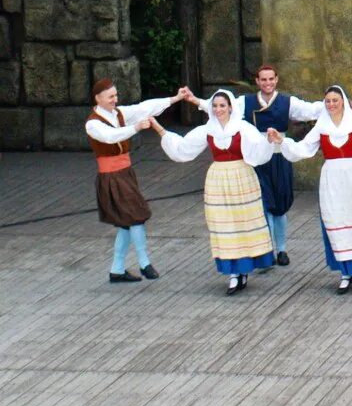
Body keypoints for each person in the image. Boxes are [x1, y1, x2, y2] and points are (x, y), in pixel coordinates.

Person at [274, 85, 352, 294]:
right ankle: (345, 272)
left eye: (335, 100)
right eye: (328, 101)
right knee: (337, 219)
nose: (331, 104)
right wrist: (283, 141)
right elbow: (303, 148)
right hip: (331, 178)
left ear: (343, 101)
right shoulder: (321, 128)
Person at [193, 64, 322, 267]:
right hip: (255, 158)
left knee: (280, 205)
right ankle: (267, 250)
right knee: (264, 205)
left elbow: (312, 110)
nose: (267, 83)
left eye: (271, 79)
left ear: (276, 80)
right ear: (257, 81)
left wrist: (338, 104)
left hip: (279, 157)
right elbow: (221, 104)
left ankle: (282, 248)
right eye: (263, 79)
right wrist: (195, 101)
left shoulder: (288, 102)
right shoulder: (245, 102)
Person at [158, 90, 277, 295]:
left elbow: (259, 151)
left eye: (222, 105)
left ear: (231, 106)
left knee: (242, 222)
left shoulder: (243, 127)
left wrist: (269, 141)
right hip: (218, 179)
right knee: (224, 225)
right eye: (215, 106)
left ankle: (244, 269)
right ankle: (233, 273)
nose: (218, 109)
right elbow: (184, 148)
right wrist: (161, 131)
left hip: (241, 176)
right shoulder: (208, 129)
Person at [83, 78, 186, 284]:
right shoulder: (93, 123)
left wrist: (175, 98)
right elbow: (111, 136)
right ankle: (144, 262)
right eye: (111, 96)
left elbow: (145, 107)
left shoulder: (118, 113)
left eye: (115, 95)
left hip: (125, 172)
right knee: (136, 217)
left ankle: (117, 270)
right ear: (98, 98)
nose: (115, 99)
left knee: (125, 224)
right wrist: (136, 127)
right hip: (111, 176)